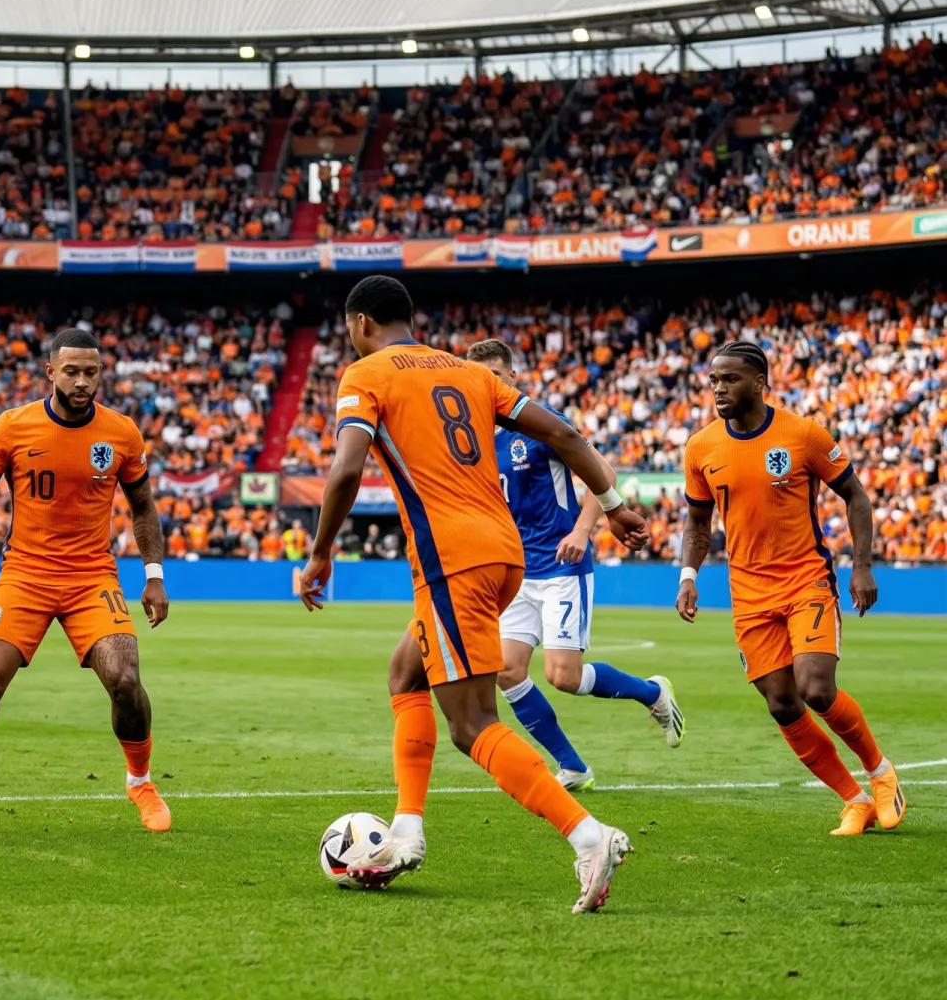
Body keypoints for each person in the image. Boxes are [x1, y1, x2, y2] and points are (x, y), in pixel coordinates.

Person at [297, 276, 649, 913]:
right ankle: (406, 828)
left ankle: (589, 836)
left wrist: (321, 552)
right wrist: (616, 507)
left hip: (451, 559)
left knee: (471, 724)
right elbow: (566, 435)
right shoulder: (470, 374)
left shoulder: (366, 375)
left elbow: (347, 467)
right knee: (406, 673)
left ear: (358, 324)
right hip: (507, 552)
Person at [0, 327, 172, 838]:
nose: (82, 382)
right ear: (51, 372)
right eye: (72, 371)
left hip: (91, 576)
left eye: (91, 372)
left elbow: (143, 507)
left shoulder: (122, 433)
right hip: (25, 575)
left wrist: (154, 576)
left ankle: (142, 783)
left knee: (125, 680)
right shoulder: (12, 427)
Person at [677, 340, 904, 836]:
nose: (718, 388)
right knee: (782, 703)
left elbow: (857, 497)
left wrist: (861, 566)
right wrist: (688, 576)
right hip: (749, 591)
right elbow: (697, 524)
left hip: (806, 579)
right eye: (713, 379)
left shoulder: (802, 435)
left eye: (729, 379)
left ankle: (881, 774)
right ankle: (855, 800)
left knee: (816, 688)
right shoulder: (700, 447)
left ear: (759, 383)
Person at [462, 338, 684, 790]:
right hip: (516, 572)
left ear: (511, 378)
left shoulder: (539, 424)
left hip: (562, 566)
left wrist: (583, 531)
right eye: (476, 380)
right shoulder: (475, 440)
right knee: (506, 670)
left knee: (562, 676)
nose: (485, 387)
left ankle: (653, 693)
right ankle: (573, 766)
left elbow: (602, 471)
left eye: (494, 377)